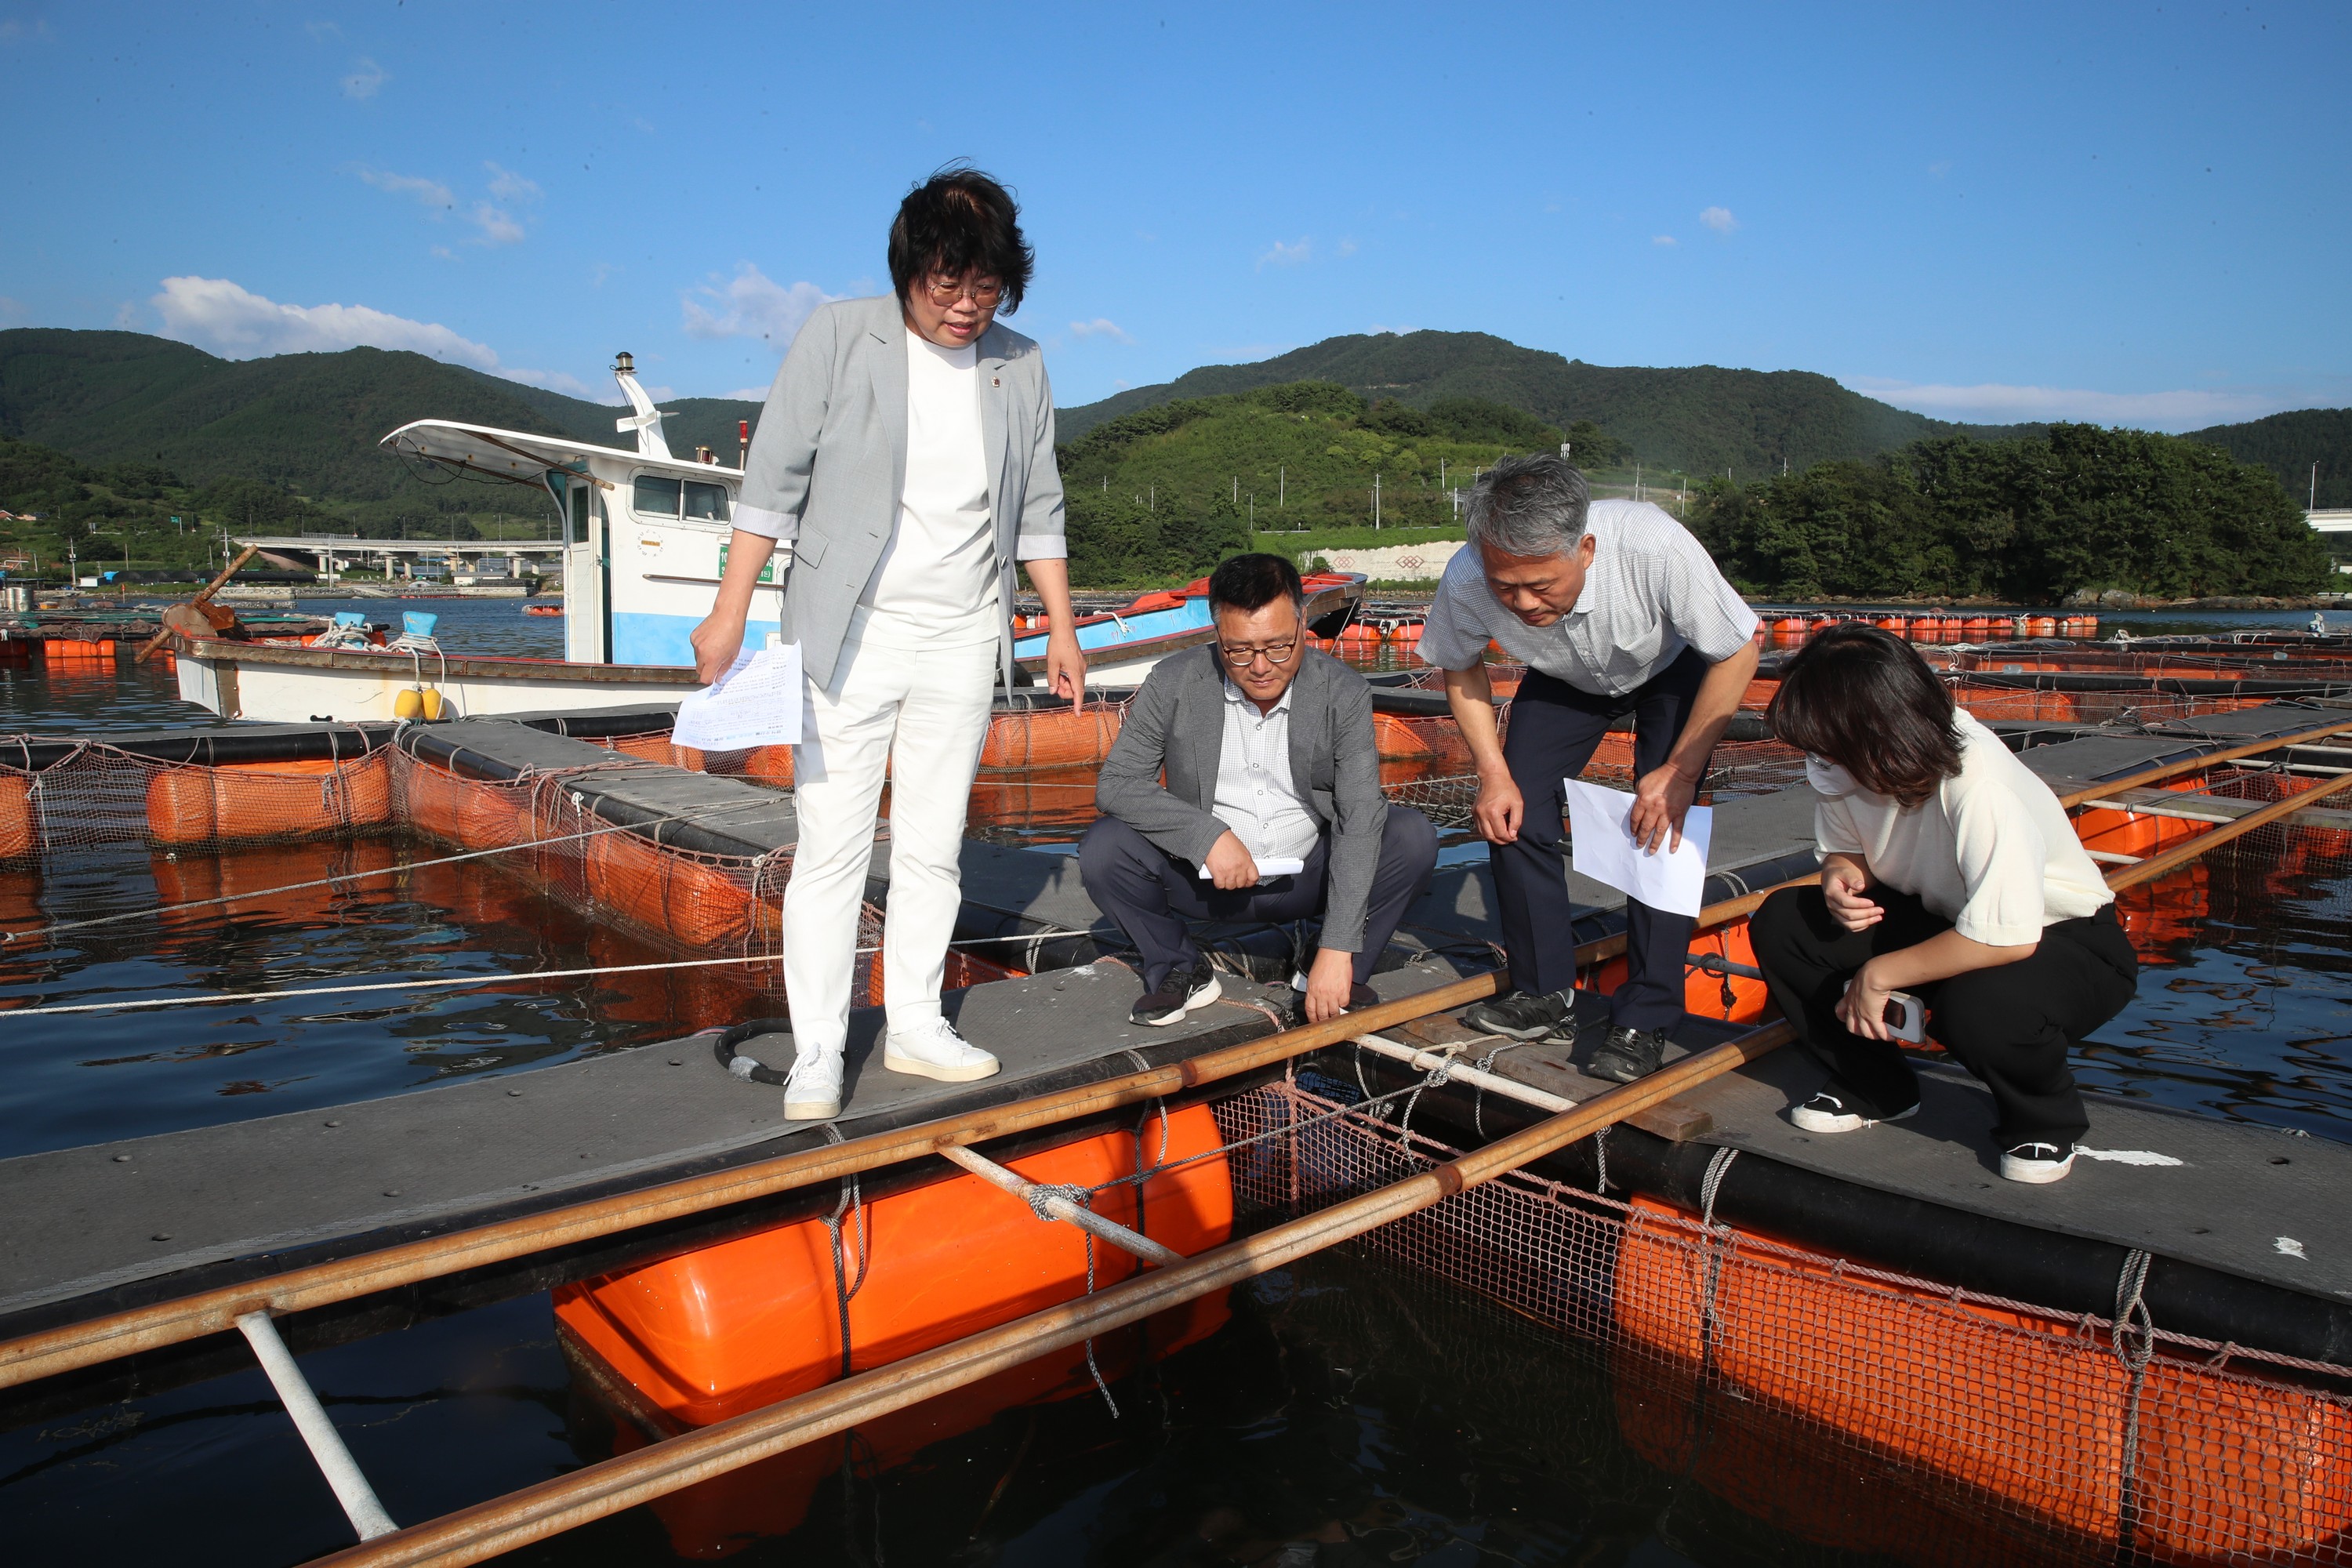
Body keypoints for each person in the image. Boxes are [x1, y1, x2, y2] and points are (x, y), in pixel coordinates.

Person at [690, 167, 1087, 1122]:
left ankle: (912, 1022)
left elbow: (1038, 503)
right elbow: (772, 478)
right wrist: (729, 607)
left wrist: (1062, 626)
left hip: (960, 633)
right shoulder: (838, 333)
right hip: (848, 630)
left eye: (984, 288)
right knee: (831, 846)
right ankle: (818, 1048)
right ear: (909, 271)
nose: (964, 307)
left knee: (934, 845)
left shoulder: (1020, 363)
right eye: (945, 285)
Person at [1750, 624, 2139, 1185]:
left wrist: (1880, 973)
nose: (1819, 761)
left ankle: (2043, 1121)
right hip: (1942, 915)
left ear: (1881, 731)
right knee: (1785, 923)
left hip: (2061, 937)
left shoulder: (1977, 780)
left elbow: (2008, 935)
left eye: (1829, 746)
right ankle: (1875, 1086)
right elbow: (1844, 851)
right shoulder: (1840, 761)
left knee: (1981, 1003)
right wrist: (1840, 878)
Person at [1424, 454, 1759, 1081]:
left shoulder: (1653, 543)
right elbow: (1460, 663)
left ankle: (1648, 1015)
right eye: (1506, 588)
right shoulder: (1469, 574)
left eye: (1541, 586)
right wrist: (1491, 770)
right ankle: (1542, 993)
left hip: (1669, 667)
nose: (1522, 604)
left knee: (1663, 816)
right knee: (1513, 805)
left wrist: (1681, 771)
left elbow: (1739, 647)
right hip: (1563, 677)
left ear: (1585, 547)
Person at [1080, 554, 1439, 1027]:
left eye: (1278, 647)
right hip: (1206, 882)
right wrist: (1205, 836)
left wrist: (1340, 946)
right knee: (1104, 849)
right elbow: (1118, 784)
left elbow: (1357, 816)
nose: (1261, 667)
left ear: (1302, 621)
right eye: (1239, 650)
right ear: (1216, 632)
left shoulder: (1344, 691)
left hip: (1309, 878)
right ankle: (1180, 967)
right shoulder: (1173, 681)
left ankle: (1328, 967)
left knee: (1410, 836)